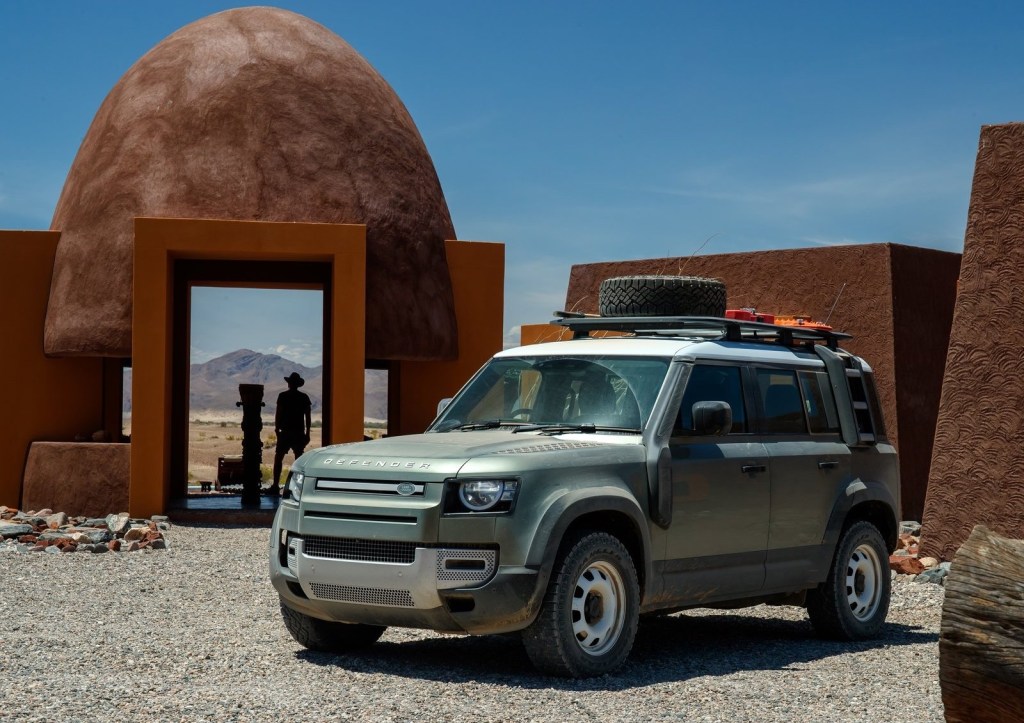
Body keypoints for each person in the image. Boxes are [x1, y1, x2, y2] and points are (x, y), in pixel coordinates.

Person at [271, 372, 312, 495]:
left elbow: (278, 414)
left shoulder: (283, 396)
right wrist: (307, 433)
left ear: (289, 383)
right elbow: (308, 417)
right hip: (298, 432)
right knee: (299, 460)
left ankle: (275, 485)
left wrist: (277, 429)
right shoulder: (304, 397)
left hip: (286, 432)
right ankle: (298, 487)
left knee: (278, 458)